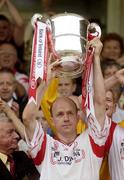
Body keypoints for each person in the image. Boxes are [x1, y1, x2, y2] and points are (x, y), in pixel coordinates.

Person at [20, 37, 111, 180]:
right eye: (60, 114)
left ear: (77, 117)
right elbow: (27, 117)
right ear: (52, 119)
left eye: (70, 113)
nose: (66, 118)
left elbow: (99, 103)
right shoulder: (43, 146)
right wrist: (46, 82)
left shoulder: (93, 141)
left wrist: (96, 58)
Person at [0, 107, 40, 180]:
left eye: (15, 131)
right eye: (10, 132)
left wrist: (36, 158)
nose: (17, 136)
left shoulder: (22, 157)